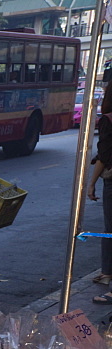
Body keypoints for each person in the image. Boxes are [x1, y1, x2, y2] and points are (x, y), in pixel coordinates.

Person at [87, 87, 112, 297]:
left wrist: (91, 183)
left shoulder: (108, 120)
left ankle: (107, 275)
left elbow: (104, 156)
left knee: (110, 229)